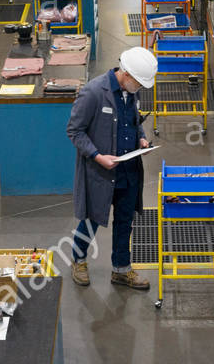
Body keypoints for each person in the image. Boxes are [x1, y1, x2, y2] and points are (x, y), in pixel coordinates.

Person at [66, 46, 158, 289]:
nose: (139, 88)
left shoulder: (132, 93)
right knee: (91, 220)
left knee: (125, 221)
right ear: (125, 74)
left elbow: (134, 121)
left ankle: (121, 268)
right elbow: (74, 131)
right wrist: (97, 156)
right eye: (138, 83)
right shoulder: (94, 93)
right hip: (102, 173)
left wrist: (141, 138)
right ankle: (78, 258)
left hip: (128, 170)